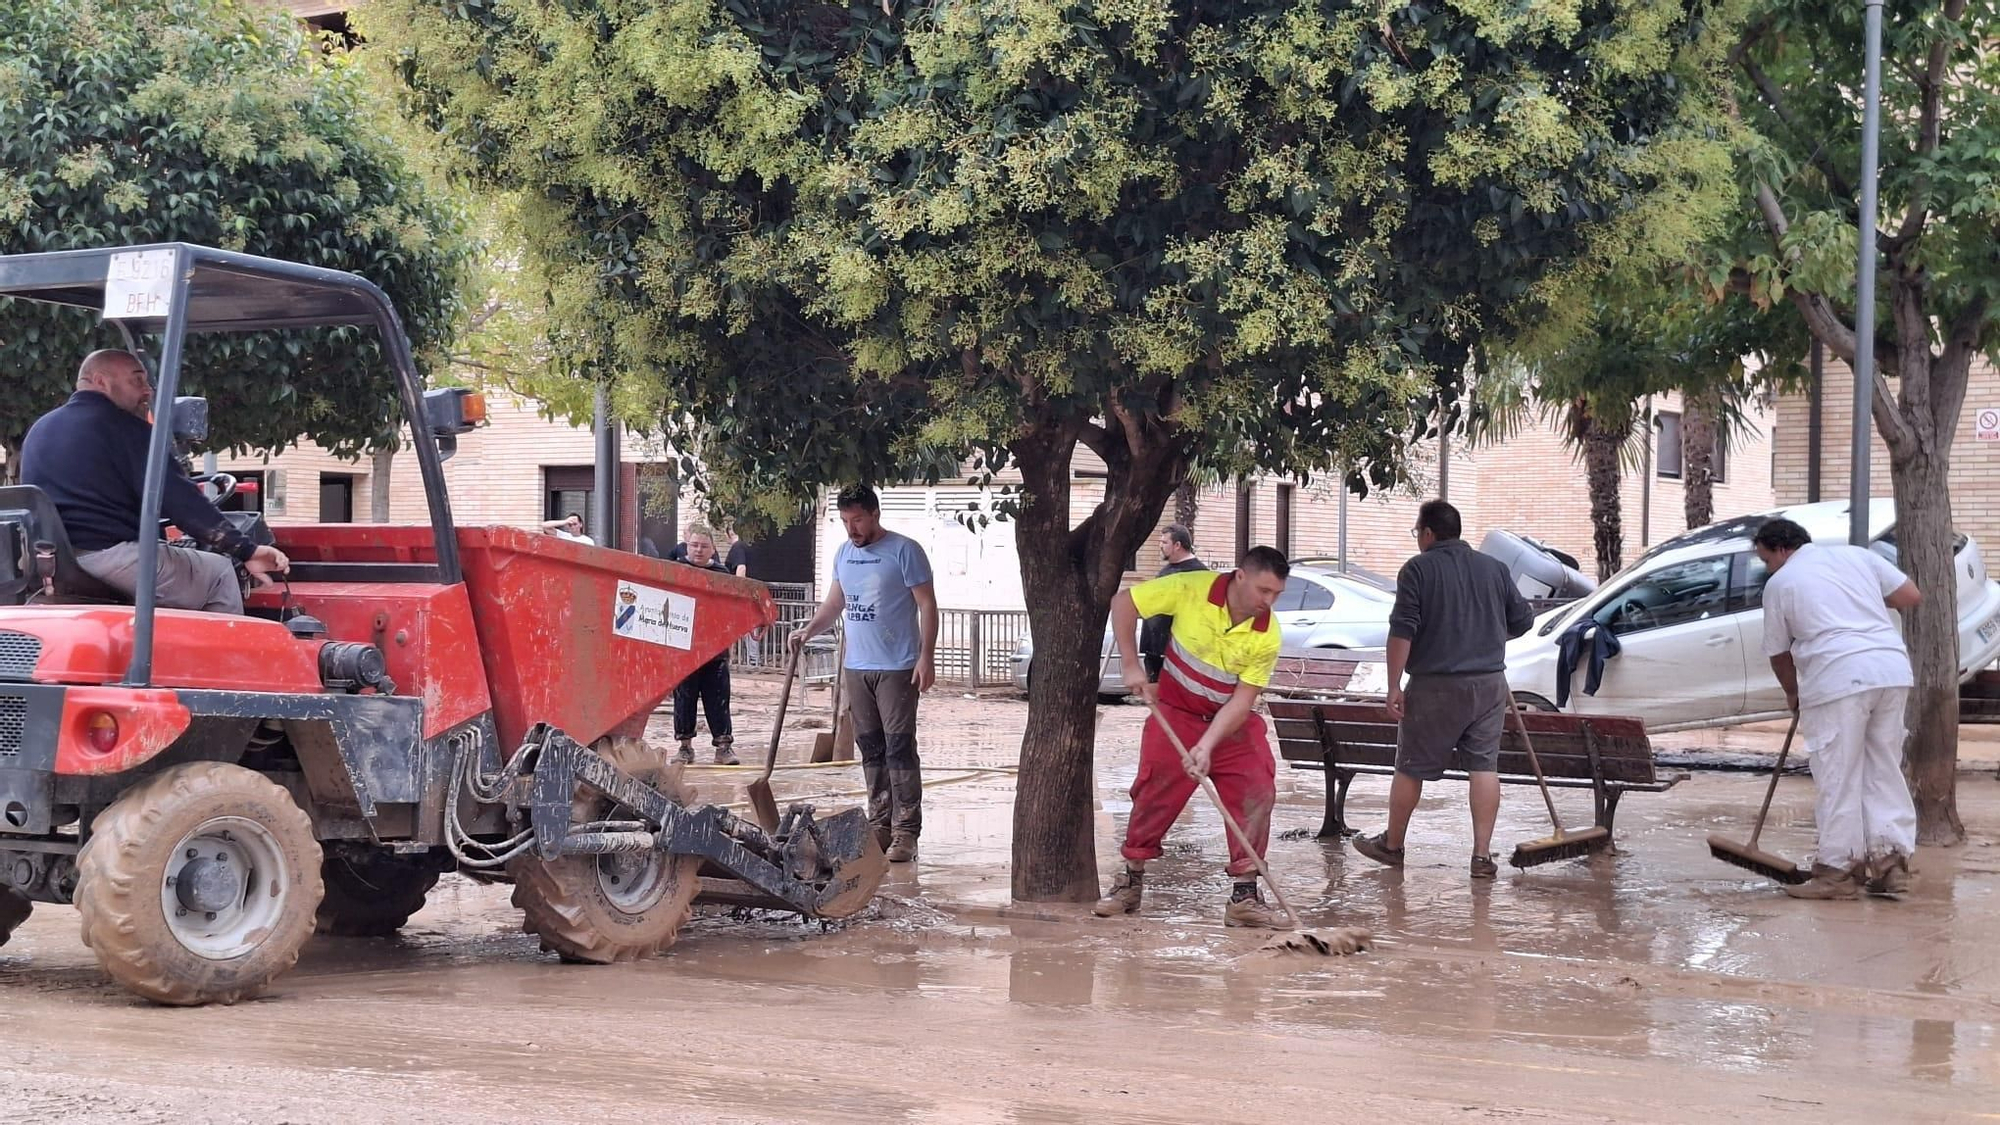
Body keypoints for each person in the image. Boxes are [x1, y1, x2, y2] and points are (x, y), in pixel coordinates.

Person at [1094, 546, 1293, 929]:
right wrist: (1132, 666)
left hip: (1230, 721)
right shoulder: (1190, 587)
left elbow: (1243, 701)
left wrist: (1207, 745)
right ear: (1240, 577)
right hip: (1176, 711)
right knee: (1154, 789)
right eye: (1263, 591)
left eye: (1276, 595)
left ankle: (1245, 894)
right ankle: (1129, 881)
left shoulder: (1268, 634)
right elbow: (1123, 603)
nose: (1268, 602)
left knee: (1257, 788)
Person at [17, 349, 288, 613]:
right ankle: (225, 658)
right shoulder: (127, 429)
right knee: (218, 572)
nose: (147, 390)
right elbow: (181, 501)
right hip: (110, 558)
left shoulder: (40, 429)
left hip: (50, 561)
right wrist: (246, 550)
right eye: (136, 380)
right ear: (100, 381)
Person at [1352, 500, 1534, 880]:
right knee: (1484, 765)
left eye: (1417, 532)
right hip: (1488, 684)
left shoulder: (1417, 570)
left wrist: (1392, 685)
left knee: (1410, 765)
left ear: (1428, 533)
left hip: (1435, 685)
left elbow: (1403, 629)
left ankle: (1393, 845)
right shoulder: (1495, 569)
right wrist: (1488, 636)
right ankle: (1482, 857)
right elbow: (1523, 620)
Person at [1754, 517, 1923, 900]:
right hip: (1891, 670)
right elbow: (1911, 596)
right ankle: (1891, 865)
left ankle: (1836, 872)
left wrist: (1792, 693)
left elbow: (1779, 654)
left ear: (1781, 550)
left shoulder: (1781, 583)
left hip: (1837, 678)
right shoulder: (1859, 558)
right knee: (1883, 767)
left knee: (1838, 773)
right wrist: (1857, 602)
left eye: (1766, 559)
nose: (1768, 567)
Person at [788, 485, 937, 864]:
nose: (851, 529)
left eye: (857, 520)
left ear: (874, 514)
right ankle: (879, 823)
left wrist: (926, 657)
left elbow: (927, 604)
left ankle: (907, 831)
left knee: (899, 747)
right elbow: (835, 604)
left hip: (897, 666)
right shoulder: (843, 554)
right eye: (844, 521)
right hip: (858, 666)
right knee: (870, 748)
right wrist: (809, 630)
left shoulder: (905, 550)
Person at [670, 524, 739, 765]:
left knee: (718, 698)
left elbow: (735, 608)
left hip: (715, 650)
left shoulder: (722, 575)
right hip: (682, 649)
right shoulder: (673, 571)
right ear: (686, 545)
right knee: (684, 698)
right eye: (694, 545)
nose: (699, 550)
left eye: (704, 546)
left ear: (713, 549)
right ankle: (685, 746)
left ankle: (723, 747)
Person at [1139, 524, 1208, 682]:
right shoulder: (1165, 571)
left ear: (1177, 545)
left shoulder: (1199, 574)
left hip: (1179, 653)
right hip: (1155, 651)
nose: (1160, 546)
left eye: (1164, 543)